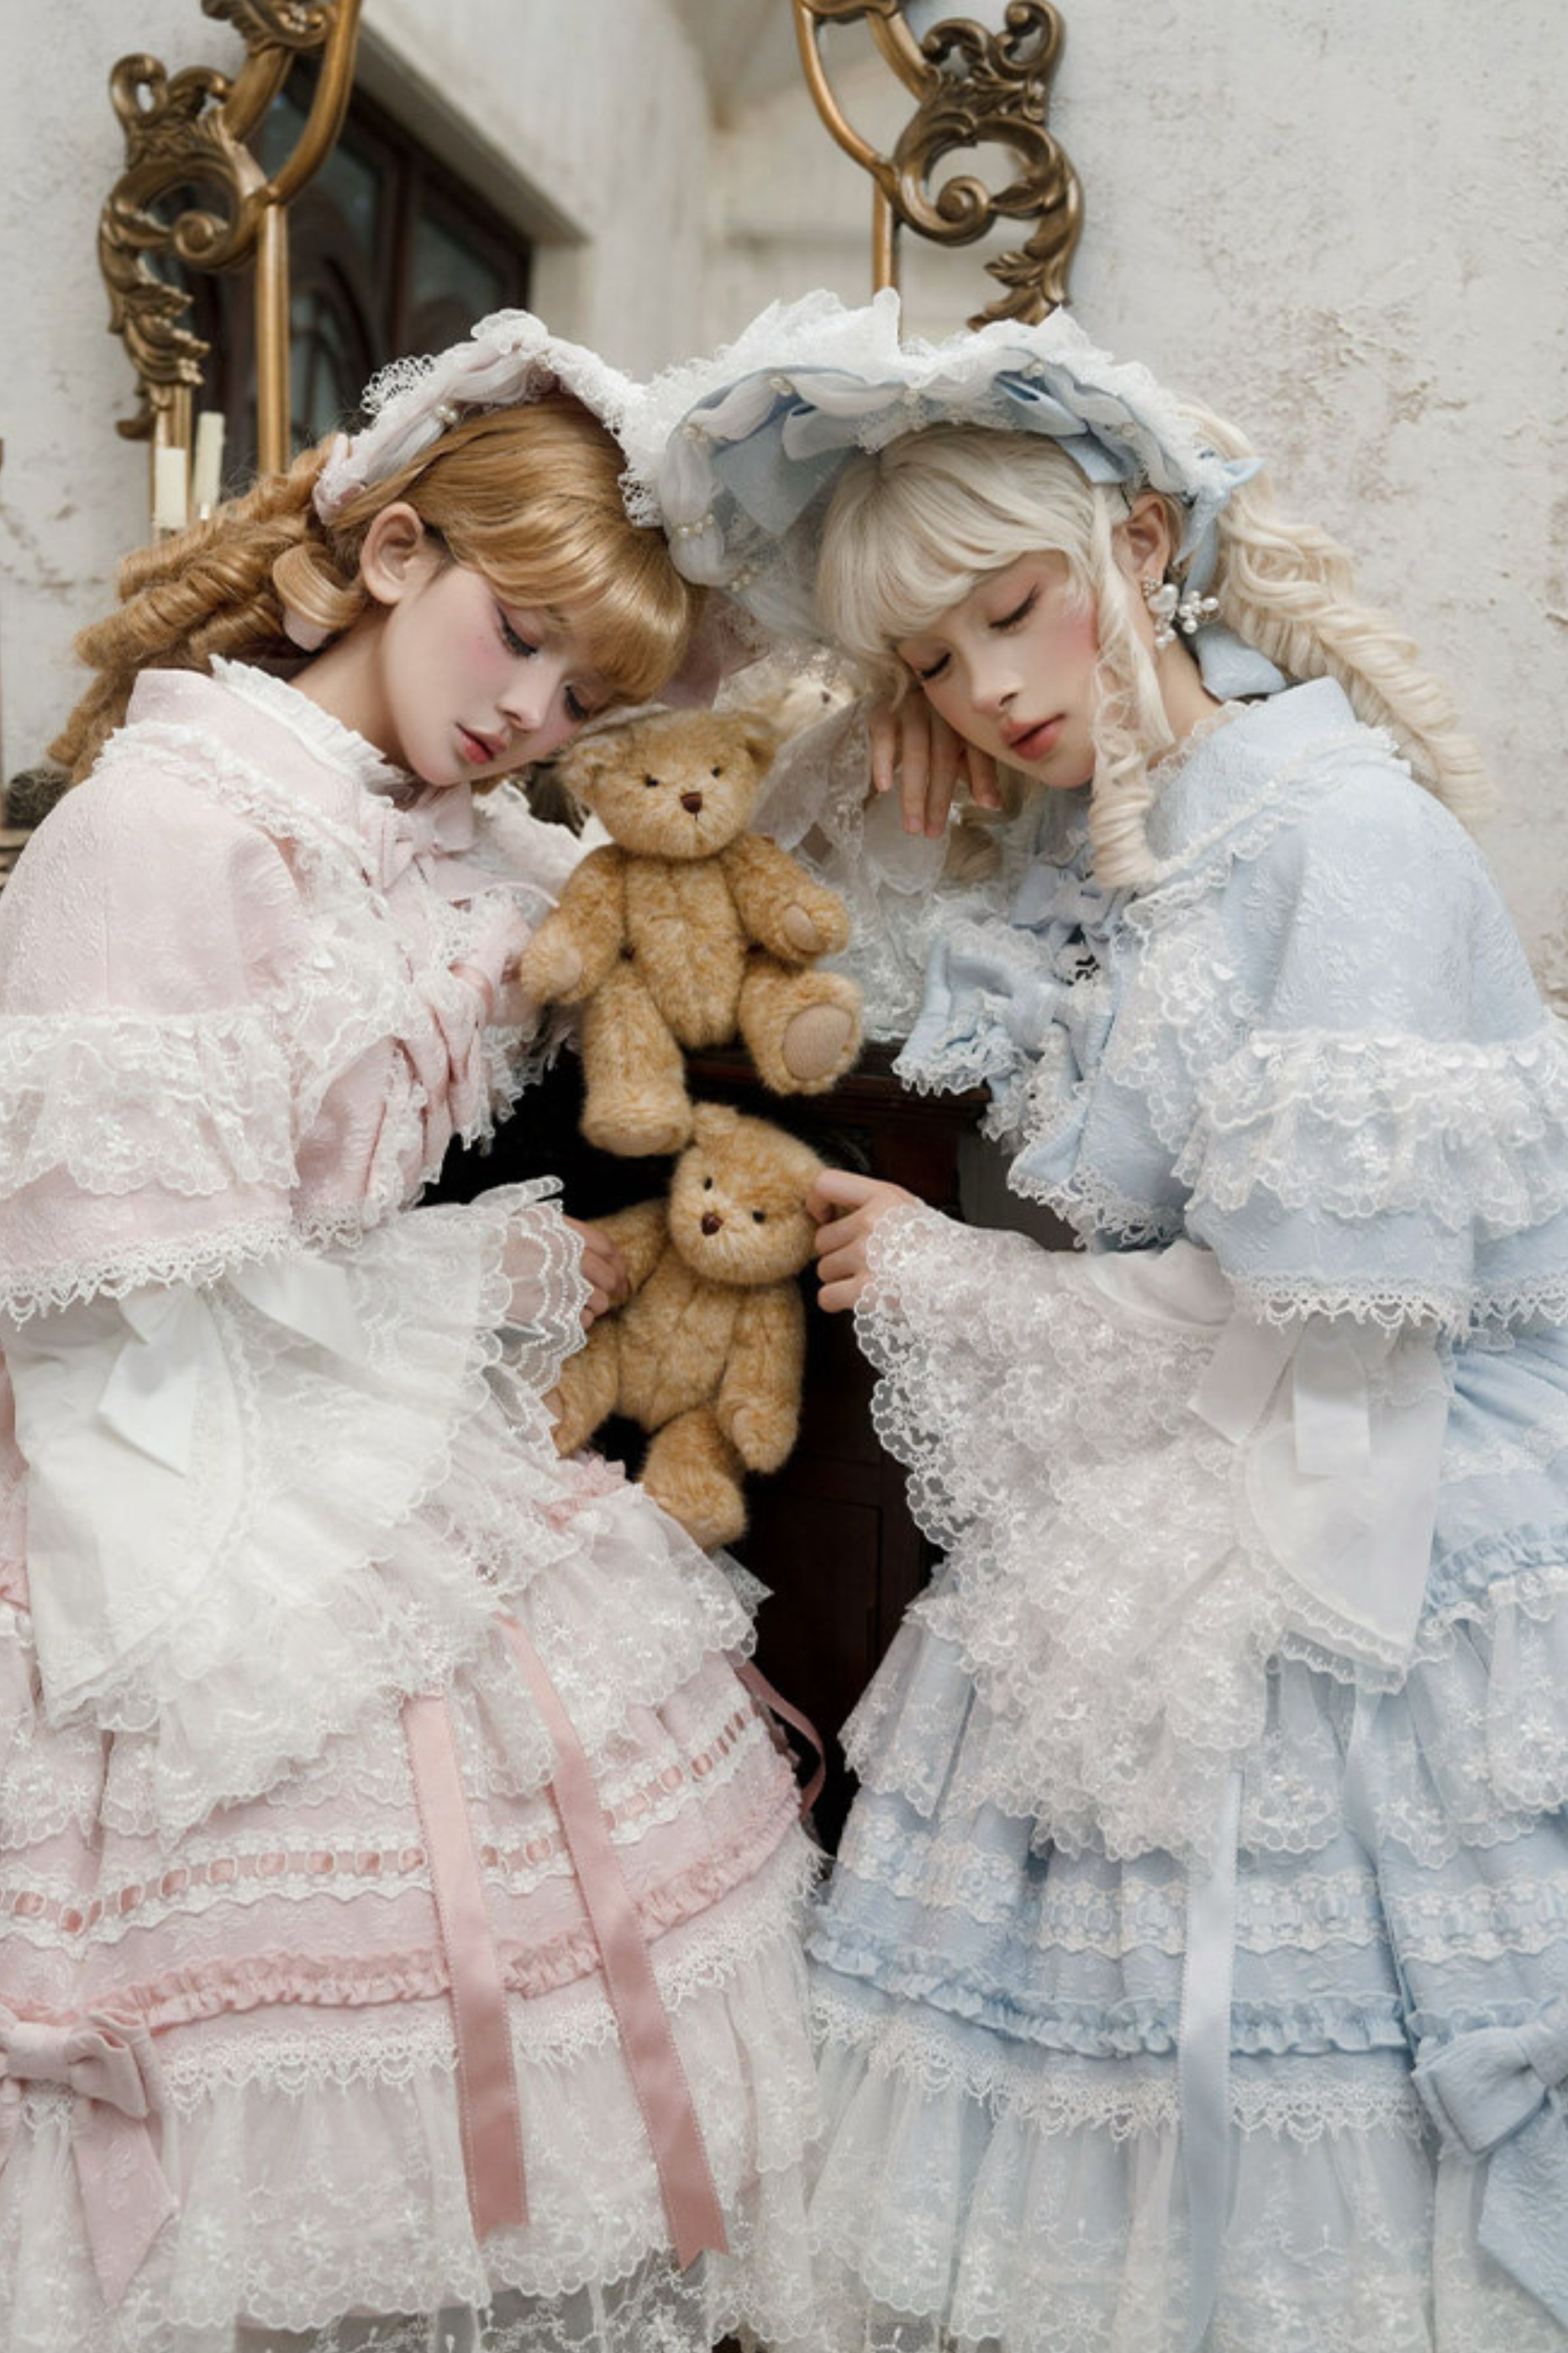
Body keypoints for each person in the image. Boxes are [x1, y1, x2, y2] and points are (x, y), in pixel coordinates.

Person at [641, 287, 1568, 2350]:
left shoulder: (1346, 841)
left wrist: (959, 1278)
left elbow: (1329, 1335)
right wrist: (882, 759)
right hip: (1227, 1438)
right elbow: (786, 926)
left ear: (1142, 542)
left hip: (1387, 1486)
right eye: (929, 660)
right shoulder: (1126, 852)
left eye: (1010, 611)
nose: (986, 690)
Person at [0, 312, 822, 2353]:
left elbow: (699, 859)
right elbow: (130, 1308)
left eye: (586, 694)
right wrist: (495, 1281)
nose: (532, 714)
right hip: (174, 1450)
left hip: (346, 1409)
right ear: (390, 555)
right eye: (517, 639)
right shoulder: (169, 829)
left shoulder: (462, 840)